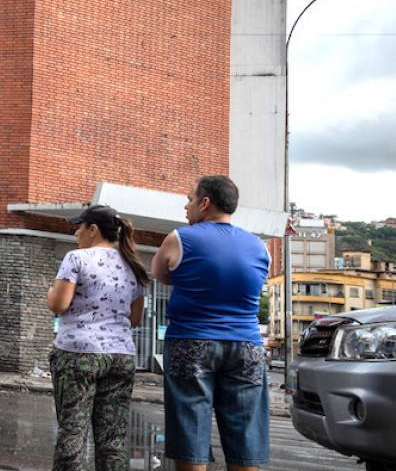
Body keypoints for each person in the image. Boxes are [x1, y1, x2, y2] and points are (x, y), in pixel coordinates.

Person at [152, 175, 270, 471]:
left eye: (190, 199)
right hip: (247, 346)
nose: (186, 206)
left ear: (205, 203)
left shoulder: (179, 238)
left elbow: (161, 275)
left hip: (191, 341)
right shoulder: (259, 246)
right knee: (245, 431)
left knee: (190, 425)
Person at [46, 204, 149, 471]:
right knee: (112, 440)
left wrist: (51, 291)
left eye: (79, 227)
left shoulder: (77, 258)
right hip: (121, 356)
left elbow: (58, 305)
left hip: (78, 355)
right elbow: (135, 319)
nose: (76, 233)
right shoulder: (133, 265)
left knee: (73, 434)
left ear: (93, 230)